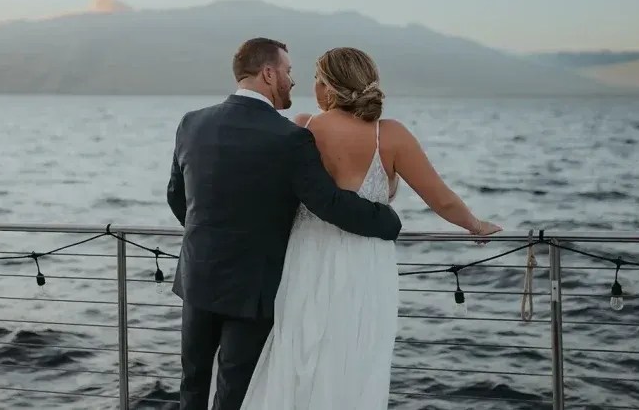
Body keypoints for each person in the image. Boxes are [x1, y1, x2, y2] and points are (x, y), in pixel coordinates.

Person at [239, 46, 501, 410]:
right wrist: (475, 224)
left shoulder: (303, 126)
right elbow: (441, 199)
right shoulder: (390, 135)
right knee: (358, 358)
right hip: (366, 265)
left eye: (317, 79)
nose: (312, 87)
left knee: (299, 352)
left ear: (330, 87)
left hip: (306, 259)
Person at [167, 38, 403, 410]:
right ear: (268, 73)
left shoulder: (192, 123)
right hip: (255, 285)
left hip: (198, 273)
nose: (292, 81)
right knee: (234, 389)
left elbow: (177, 198)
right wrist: (386, 221)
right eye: (289, 72)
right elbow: (328, 203)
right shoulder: (289, 137)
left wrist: (210, 237)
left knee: (192, 383)